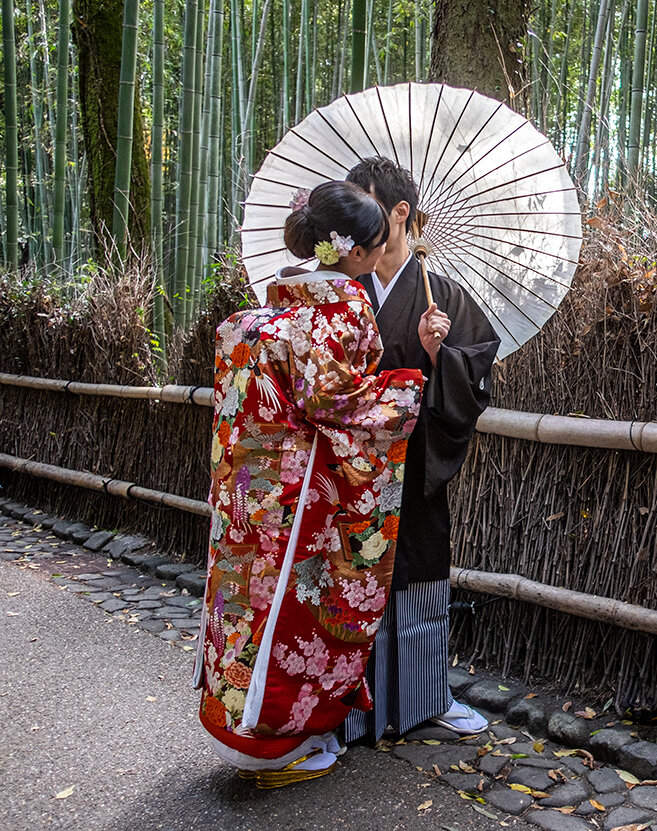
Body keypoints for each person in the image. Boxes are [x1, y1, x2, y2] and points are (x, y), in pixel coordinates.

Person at [194, 180, 425, 788]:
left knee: (243, 608)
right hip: (299, 504)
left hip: (246, 500)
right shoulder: (337, 313)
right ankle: (277, 746)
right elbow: (338, 402)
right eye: (377, 245)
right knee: (296, 612)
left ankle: (240, 729)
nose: (381, 255)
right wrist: (406, 387)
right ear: (353, 251)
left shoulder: (252, 320)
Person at [340, 156, 500, 743]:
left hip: (413, 463)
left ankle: (426, 697)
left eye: (369, 206)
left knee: (419, 571)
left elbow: (478, 377)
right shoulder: (342, 292)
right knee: (349, 579)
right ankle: (347, 703)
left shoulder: (445, 298)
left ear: (400, 213)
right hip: (350, 469)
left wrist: (439, 356)